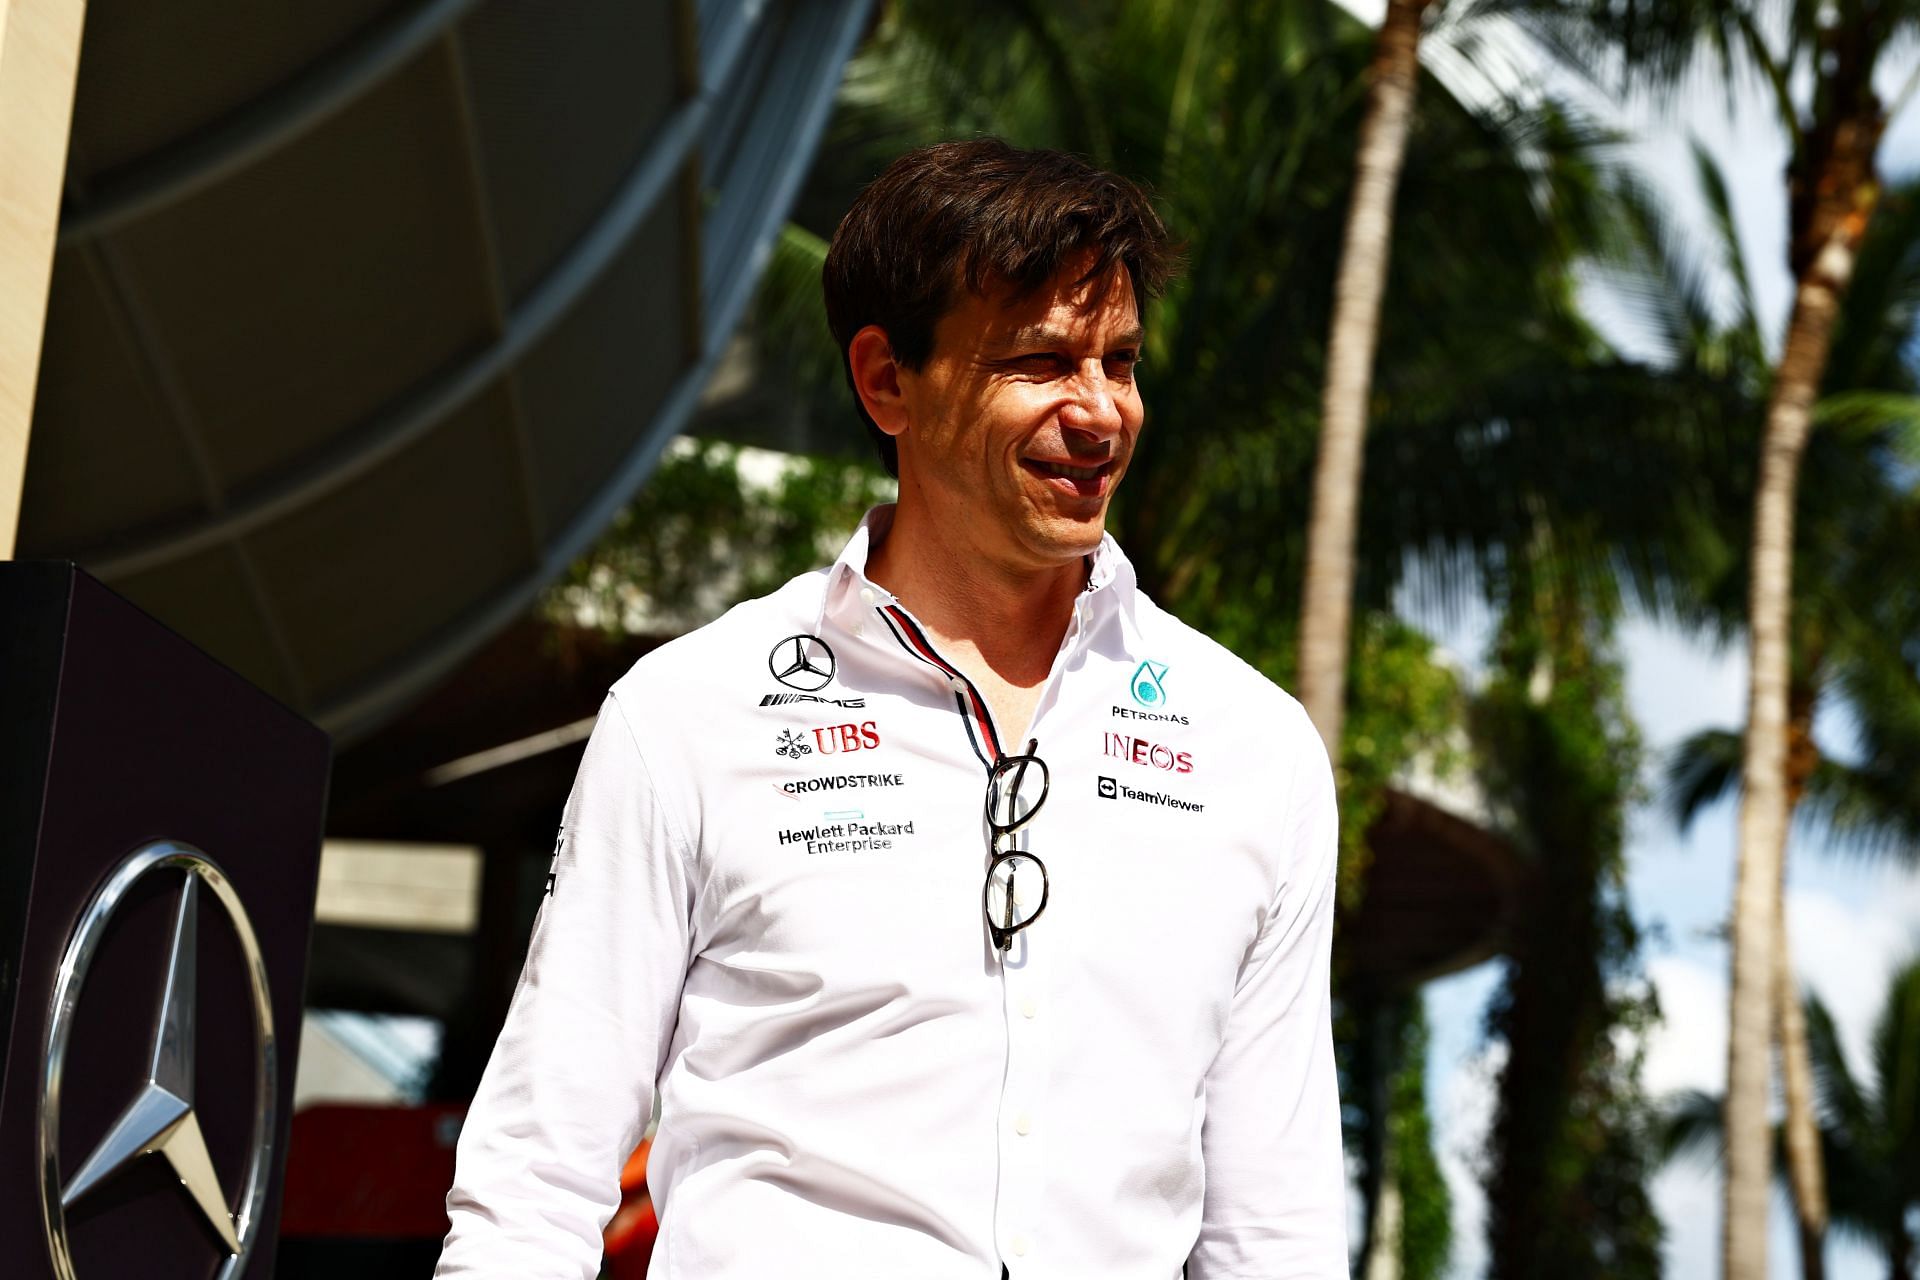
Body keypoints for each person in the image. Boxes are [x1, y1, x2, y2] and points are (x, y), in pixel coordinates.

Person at [436, 138, 1347, 1279]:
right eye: (1041, 360)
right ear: (886, 380)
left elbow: (1276, 1230)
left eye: (1120, 360)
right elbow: (533, 1178)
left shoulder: (1252, 747)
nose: (1100, 410)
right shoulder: (690, 714)